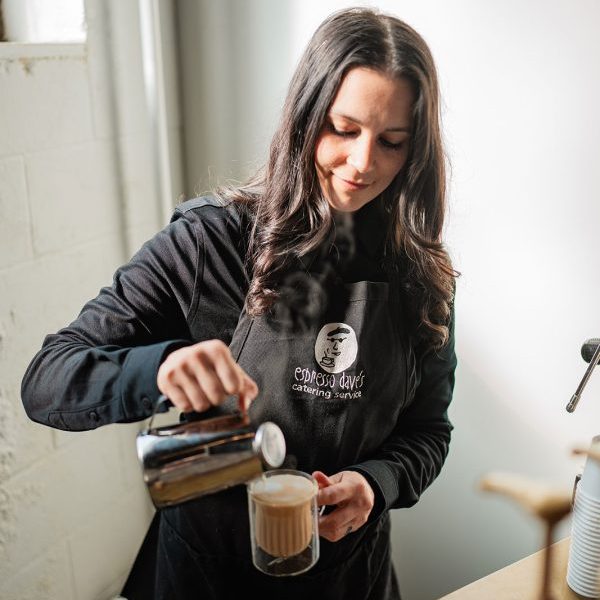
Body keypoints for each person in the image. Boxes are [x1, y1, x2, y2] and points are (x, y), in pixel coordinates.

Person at [21, 6, 457, 600]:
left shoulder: (421, 277)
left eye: (391, 142)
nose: (363, 163)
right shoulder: (211, 244)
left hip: (349, 578)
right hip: (205, 572)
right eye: (344, 129)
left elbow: (428, 431)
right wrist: (162, 367)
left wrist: (375, 484)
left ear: (417, 150)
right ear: (306, 119)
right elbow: (47, 381)